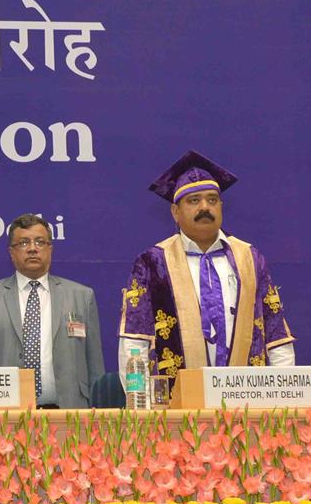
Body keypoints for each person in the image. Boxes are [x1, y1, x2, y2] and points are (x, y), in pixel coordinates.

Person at [117, 151, 295, 392]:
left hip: (247, 406)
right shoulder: (153, 261)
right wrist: (142, 405)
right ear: (175, 212)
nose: (205, 207)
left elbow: (276, 336)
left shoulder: (250, 258)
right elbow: (134, 341)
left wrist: (283, 398)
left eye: (212, 200)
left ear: (221, 206)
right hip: (175, 411)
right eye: (193, 200)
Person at [0, 213, 104, 409]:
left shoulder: (81, 296)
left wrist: (99, 410)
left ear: (50, 249)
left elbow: (95, 364)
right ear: (11, 252)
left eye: (40, 242)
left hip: (70, 412)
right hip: (4, 414)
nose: (33, 249)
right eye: (24, 243)